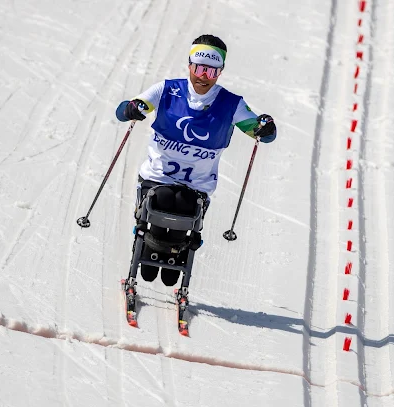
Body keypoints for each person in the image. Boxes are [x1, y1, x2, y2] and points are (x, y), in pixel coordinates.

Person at [115, 34, 277, 286]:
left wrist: (265, 128)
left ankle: (170, 258)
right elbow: (126, 109)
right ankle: (150, 250)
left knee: (183, 206)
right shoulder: (166, 90)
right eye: (200, 68)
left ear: (220, 72)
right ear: (190, 65)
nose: (203, 77)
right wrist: (131, 109)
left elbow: (261, 133)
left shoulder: (231, 104)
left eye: (212, 72)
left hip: (196, 188)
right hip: (156, 179)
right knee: (163, 199)